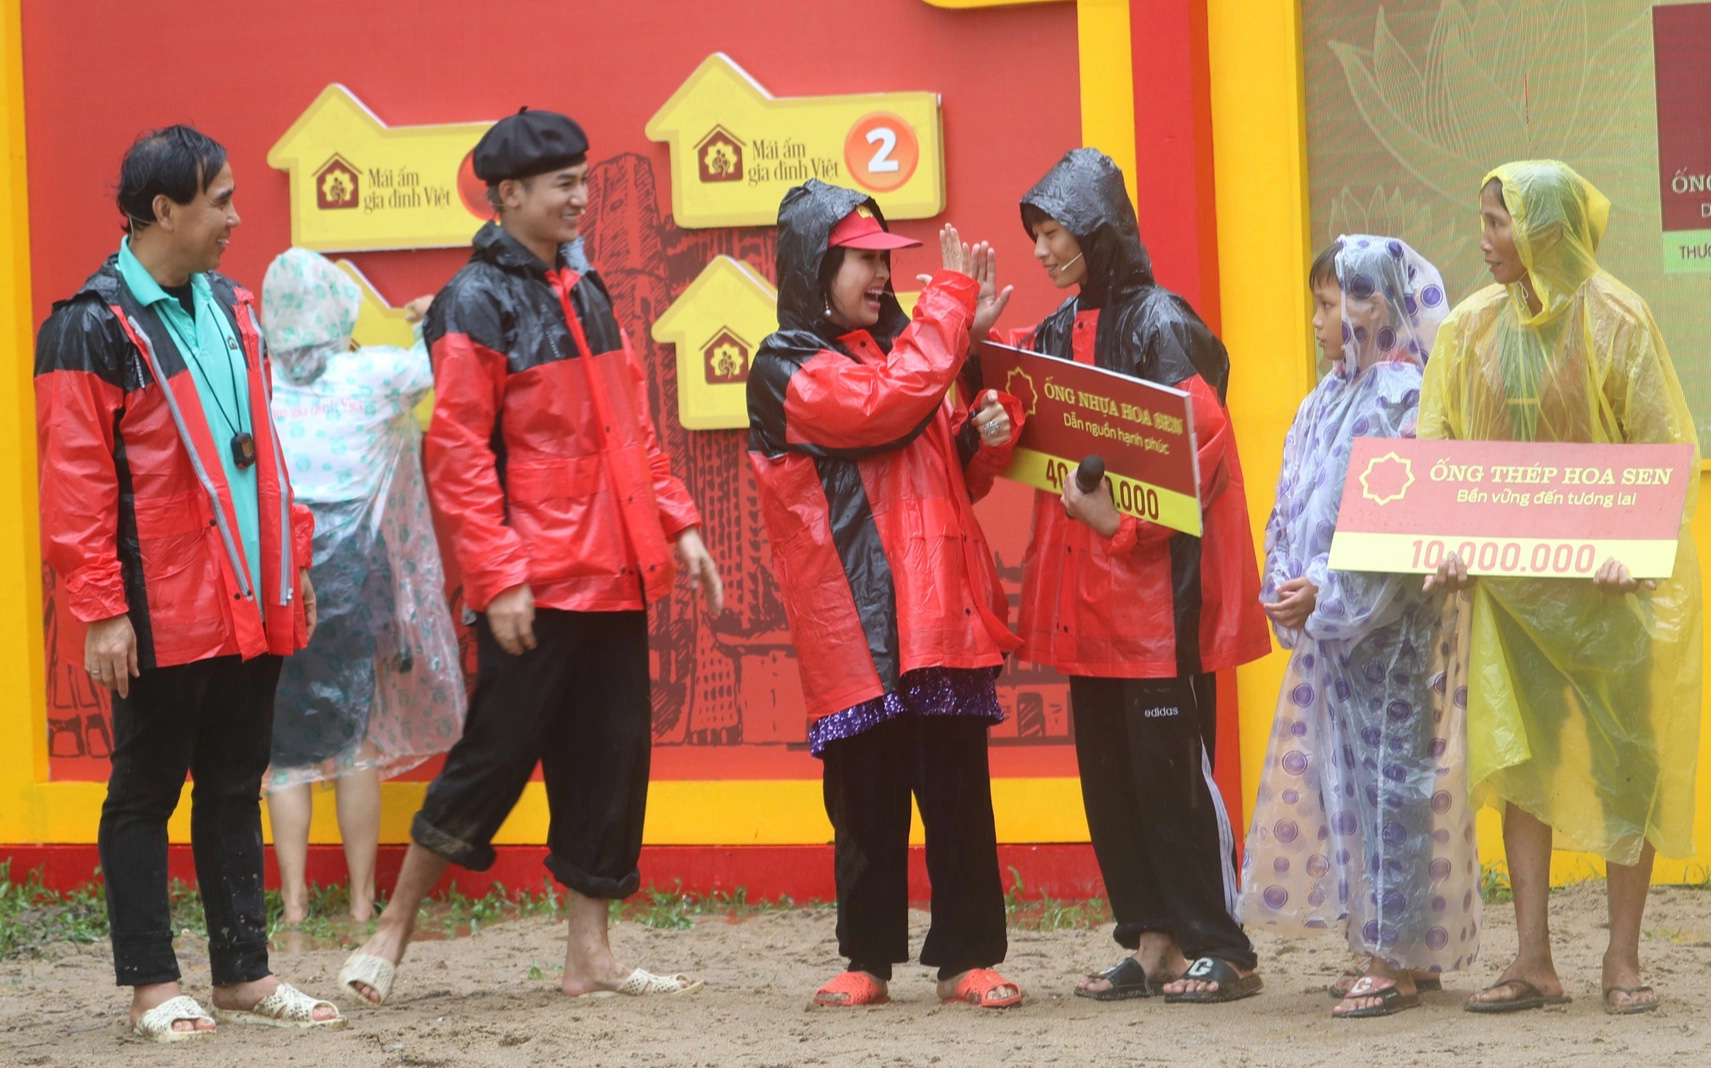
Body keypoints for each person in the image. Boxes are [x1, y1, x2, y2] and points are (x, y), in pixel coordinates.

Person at [338, 107, 722, 1004]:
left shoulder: (586, 292)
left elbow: (634, 431)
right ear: (507, 195)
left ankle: (590, 959)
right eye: (563, 185)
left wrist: (680, 522)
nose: (581, 198)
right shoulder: (474, 299)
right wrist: (500, 579)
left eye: (585, 181)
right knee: (490, 761)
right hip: (538, 583)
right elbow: (459, 454)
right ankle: (388, 937)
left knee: (610, 768)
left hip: (617, 577)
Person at [34, 125, 342, 1039]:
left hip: (249, 597)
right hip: (158, 608)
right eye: (220, 200)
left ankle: (242, 975)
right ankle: (151, 989)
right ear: (163, 209)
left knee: (234, 784)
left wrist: (293, 561)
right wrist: (99, 610)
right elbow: (76, 480)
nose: (236, 217)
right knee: (144, 792)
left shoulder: (233, 305)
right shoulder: (88, 325)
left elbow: (264, 453)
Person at [1419, 161, 1701, 1017]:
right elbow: (1438, 450)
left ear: (1544, 229)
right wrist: (1442, 542)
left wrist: (1638, 545)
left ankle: (1623, 959)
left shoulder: (1619, 317)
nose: (1483, 238)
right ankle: (1532, 960)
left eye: (1498, 222)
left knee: (1627, 766)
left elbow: (1661, 448)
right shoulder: (1467, 329)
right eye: (1483, 220)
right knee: (1524, 767)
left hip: (1607, 597)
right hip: (1512, 600)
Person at [1002, 148, 1272, 1005]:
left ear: (1096, 232)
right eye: (1036, 235)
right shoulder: (1050, 332)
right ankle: (1150, 939)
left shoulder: (1160, 322)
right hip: (1086, 611)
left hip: (1159, 608)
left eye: (1054, 234)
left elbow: (1207, 449)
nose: (1041, 251)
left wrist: (1122, 526)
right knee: (1112, 783)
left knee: (1172, 779)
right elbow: (1021, 421)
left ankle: (1219, 947)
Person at [748, 179, 1024, 1009]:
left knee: (957, 797)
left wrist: (976, 440)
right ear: (816, 264)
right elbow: (881, 410)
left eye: (884, 261)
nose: (880, 275)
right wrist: (946, 309)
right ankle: (865, 959)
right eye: (864, 260)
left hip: (940, 611)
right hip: (856, 625)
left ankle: (967, 959)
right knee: (862, 801)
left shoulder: (906, 355)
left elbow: (944, 476)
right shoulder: (785, 364)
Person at [1236, 235, 1479, 1019]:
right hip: (1333, 639)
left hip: (1394, 635)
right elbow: (1290, 503)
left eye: (1329, 301)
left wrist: (1330, 593)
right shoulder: (1322, 400)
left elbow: (1393, 535)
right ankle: (1388, 944)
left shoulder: (1406, 399)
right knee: (1352, 791)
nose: (1317, 319)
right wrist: (1286, 584)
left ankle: (1395, 956)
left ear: (1372, 306)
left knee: (1395, 787)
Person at [260, 248, 467, 925]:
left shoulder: (258, 386)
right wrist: (427, 317)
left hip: (280, 578)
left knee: (284, 748)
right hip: (354, 580)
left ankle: (290, 907)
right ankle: (359, 901)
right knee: (355, 743)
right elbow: (438, 360)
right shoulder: (371, 376)